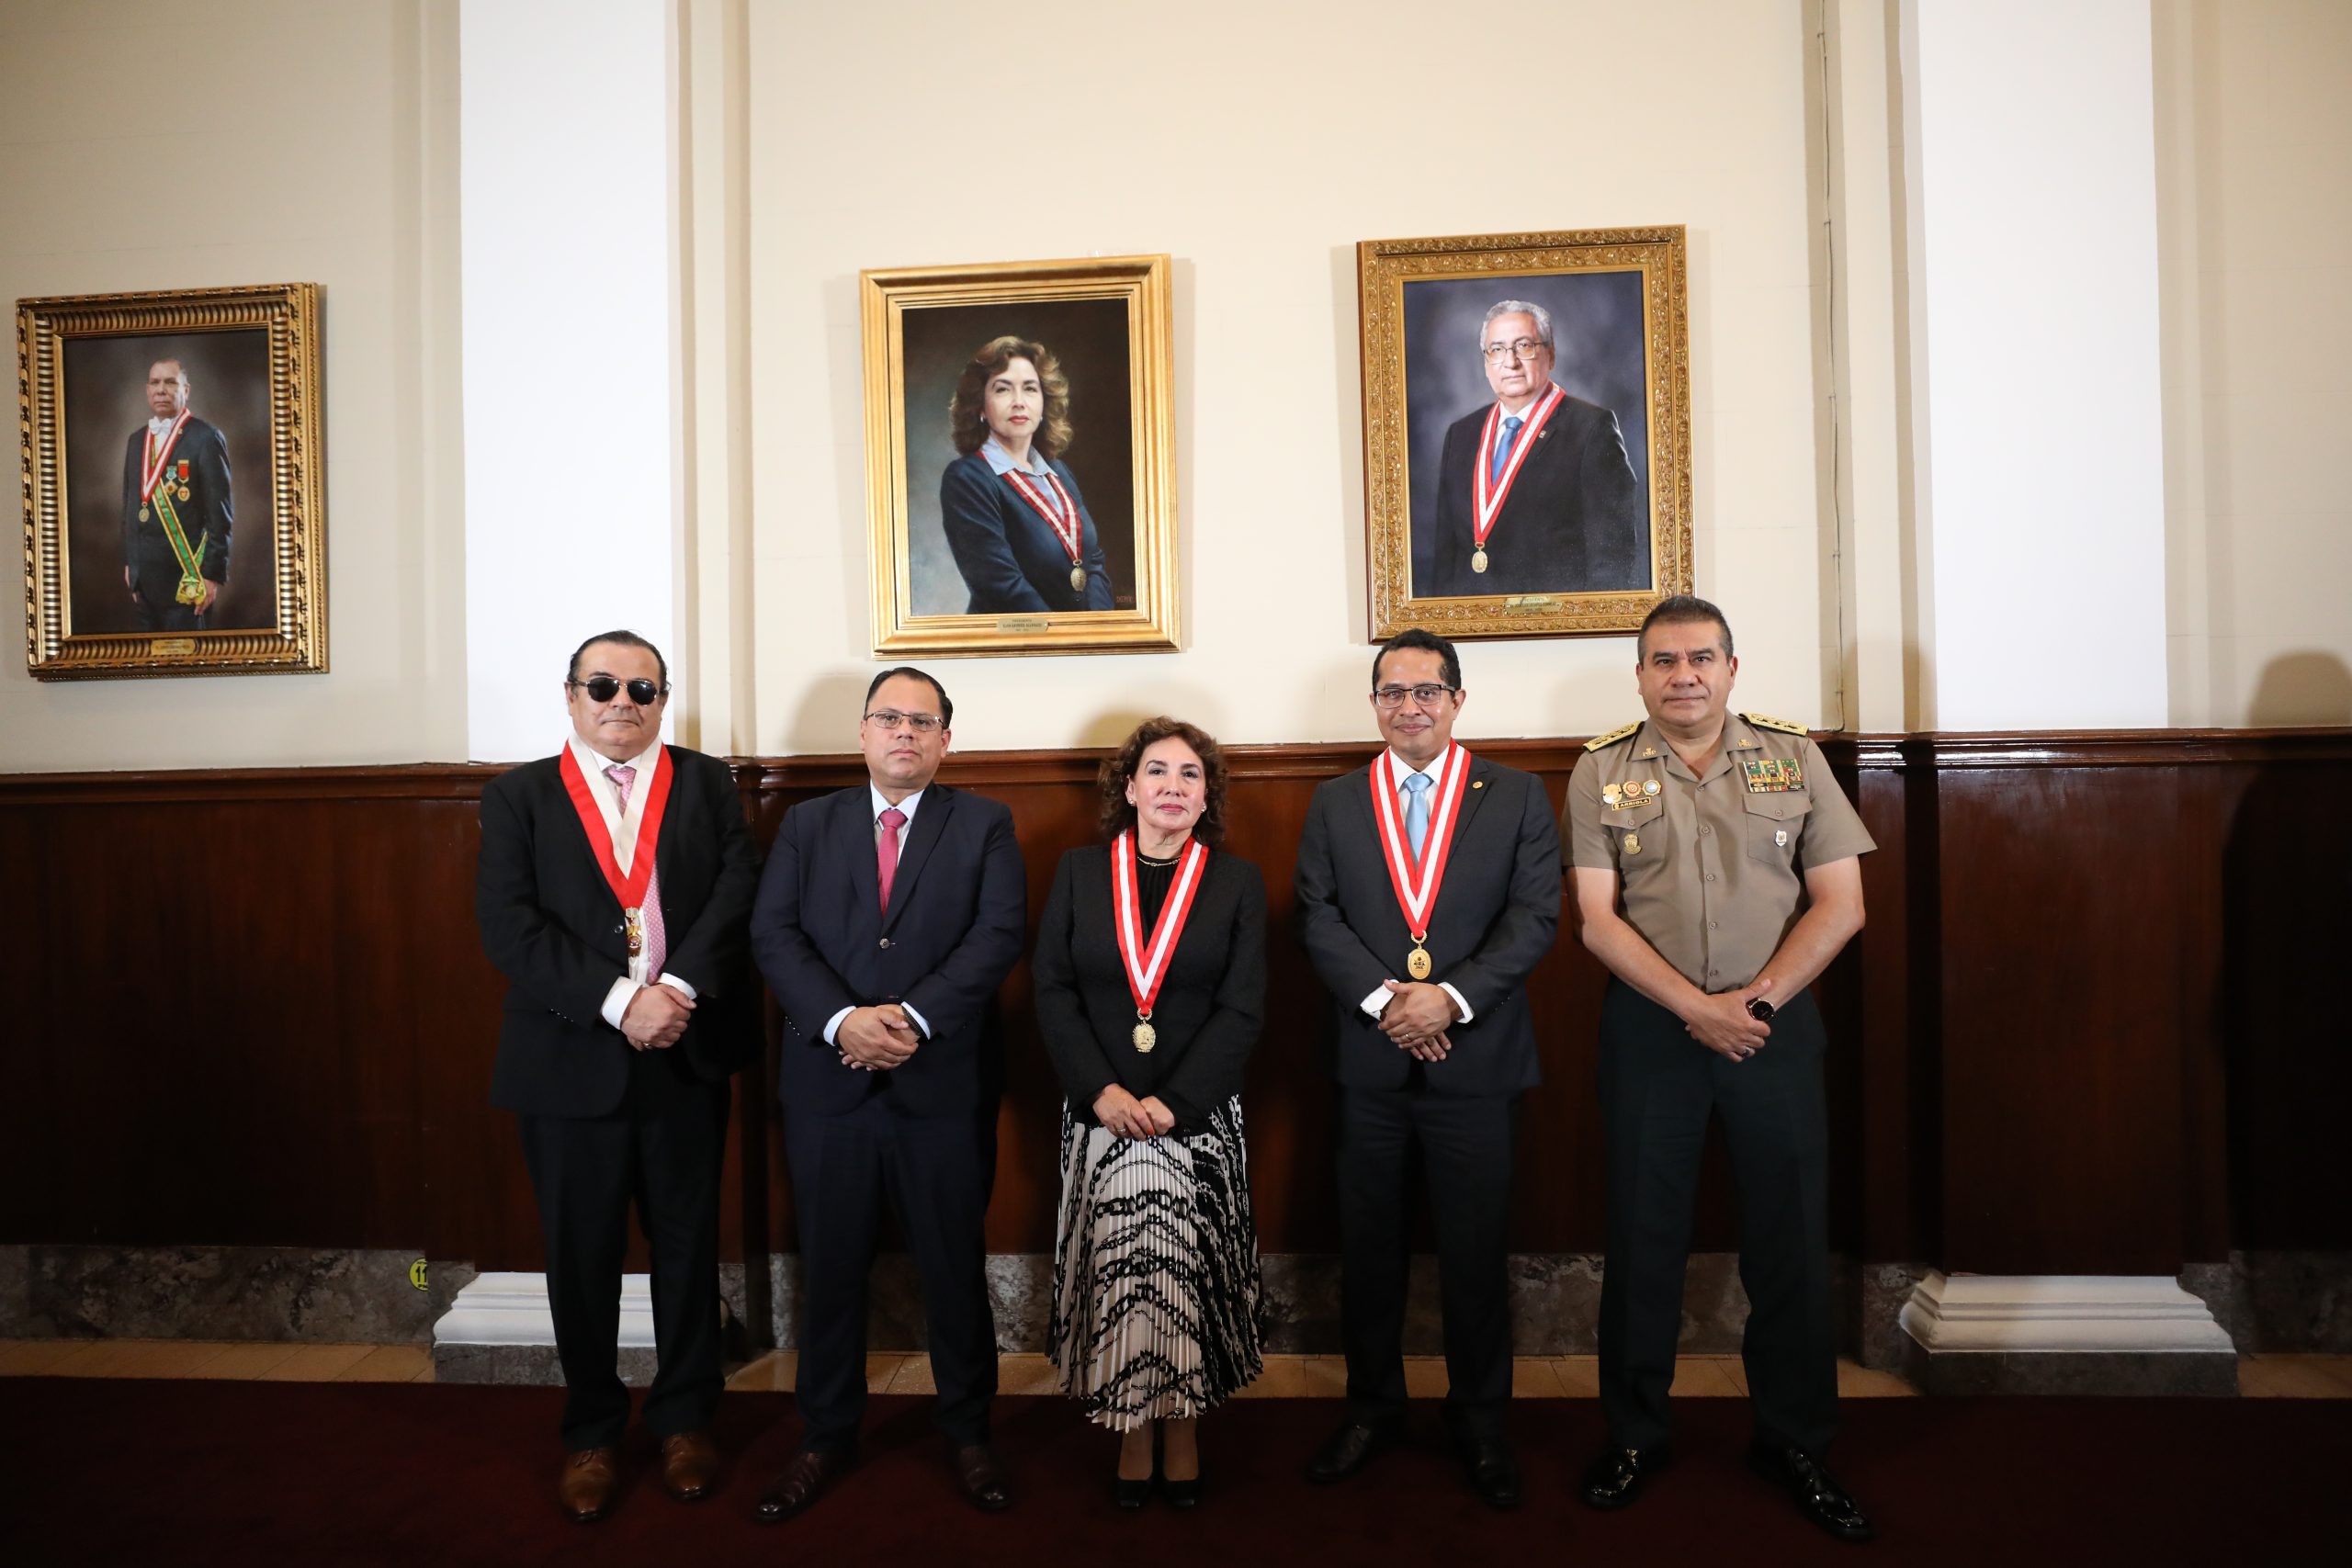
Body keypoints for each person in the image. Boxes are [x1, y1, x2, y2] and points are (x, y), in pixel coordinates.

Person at [1566, 594, 1875, 1542]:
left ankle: (1792, 1441)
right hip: (1654, 1033)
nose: (1683, 674)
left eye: (1701, 658)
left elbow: (1841, 902)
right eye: (1663, 661)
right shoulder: (1600, 769)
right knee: (1641, 1236)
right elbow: (1595, 918)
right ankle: (1633, 1434)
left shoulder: (1792, 757)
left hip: (1770, 1028)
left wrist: (1757, 1003)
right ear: (1641, 675)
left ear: (1732, 669)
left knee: (1786, 1240)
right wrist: (1696, 1009)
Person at [475, 630, 759, 1524]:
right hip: (568, 1063)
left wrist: (672, 990)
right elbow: (509, 927)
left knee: (685, 1247)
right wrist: (616, 1001)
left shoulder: (706, 783)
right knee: (581, 1256)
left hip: (686, 1049)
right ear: (570, 697)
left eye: (642, 688)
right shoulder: (518, 796)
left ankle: (683, 1420)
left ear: (661, 701)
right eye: (602, 686)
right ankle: (592, 1432)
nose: (621, 702)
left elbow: (735, 894)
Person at [748, 667, 1027, 1523]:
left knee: (953, 1268)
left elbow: (998, 933)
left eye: (923, 720)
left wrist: (906, 1017)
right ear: (863, 733)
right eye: (889, 718)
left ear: (947, 738)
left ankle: (969, 1432)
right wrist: (841, 1021)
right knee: (829, 1269)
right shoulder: (807, 823)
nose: (905, 732)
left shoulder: (982, 823)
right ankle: (824, 1435)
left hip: (939, 1084)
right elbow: (773, 931)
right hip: (828, 1085)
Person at [1294, 627, 1562, 1510]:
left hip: (1476, 1065)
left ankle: (1481, 1421)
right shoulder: (1335, 800)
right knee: (1368, 1252)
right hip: (1370, 1069)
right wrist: (1387, 1003)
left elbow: (1533, 918)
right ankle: (1372, 1409)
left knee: (1476, 1254)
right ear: (1374, 703)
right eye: (1392, 691)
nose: (1409, 705)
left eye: (1426, 689)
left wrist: (1447, 999)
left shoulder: (1516, 796)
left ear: (1456, 698)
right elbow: (1319, 914)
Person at [1034, 716, 1269, 1510]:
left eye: (1191, 775)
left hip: (1195, 1120)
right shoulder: (1076, 872)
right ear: (1128, 788)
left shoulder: (1235, 882)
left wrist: (1175, 1100)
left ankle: (1184, 1423)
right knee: (1123, 1276)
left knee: (1183, 1278)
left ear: (1207, 797)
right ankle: (1131, 1425)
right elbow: (1053, 990)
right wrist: (1100, 1089)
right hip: (1099, 1116)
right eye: (1157, 771)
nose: (1173, 785)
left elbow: (1242, 1008)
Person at [1424, 299, 1645, 598]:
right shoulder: (1461, 434)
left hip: (1553, 627)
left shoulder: (1592, 429)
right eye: (1497, 350)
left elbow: (1612, 557)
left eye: (1524, 345)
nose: (1511, 361)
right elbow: (1446, 558)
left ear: (1550, 355)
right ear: (1486, 362)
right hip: (1474, 628)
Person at [938, 335, 1115, 615]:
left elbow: (1091, 563)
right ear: (981, 407)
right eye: (1003, 390)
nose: (1019, 402)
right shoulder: (967, 478)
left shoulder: (1058, 472)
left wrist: (1099, 627)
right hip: (1017, 646)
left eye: (1030, 389)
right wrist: (1064, 641)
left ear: (1044, 403)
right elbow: (1002, 587)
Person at [119, 357, 232, 631]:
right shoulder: (136, 441)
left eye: (171, 382)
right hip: (144, 583)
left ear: (186, 390)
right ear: (147, 390)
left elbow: (220, 516)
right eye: (155, 382)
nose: (161, 390)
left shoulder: (206, 438)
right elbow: (130, 507)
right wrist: (132, 565)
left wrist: (212, 576)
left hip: (187, 583)